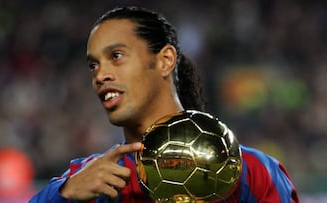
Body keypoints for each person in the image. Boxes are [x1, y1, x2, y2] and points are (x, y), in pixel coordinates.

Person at [29, 6, 299, 203]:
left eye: (117, 55)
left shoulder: (251, 172)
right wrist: (63, 196)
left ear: (165, 60)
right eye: (93, 65)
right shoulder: (87, 180)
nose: (100, 75)